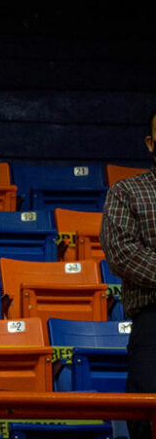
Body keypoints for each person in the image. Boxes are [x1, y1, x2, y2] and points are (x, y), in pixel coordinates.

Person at [101, 109, 156, 439]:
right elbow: (123, 253)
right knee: (149, 419)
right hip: (152, 322)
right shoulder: (127, 192)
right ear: (151, 143)